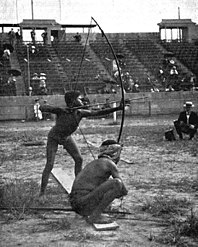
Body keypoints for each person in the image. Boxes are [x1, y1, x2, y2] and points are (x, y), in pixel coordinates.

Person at [39, 90, 125, 199]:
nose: (82, 100)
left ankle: (77, 188)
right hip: (54, 137)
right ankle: (42, 193)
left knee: (79, 159)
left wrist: (118, 108)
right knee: (50, 164)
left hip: (66, 137)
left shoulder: (80, 113)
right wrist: (57, 109)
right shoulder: (61, 111)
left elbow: (98, 112)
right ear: (73, 101)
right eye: (79, 99)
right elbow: (42, 108)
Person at [69, 139, 128, 224]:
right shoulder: (109, 164)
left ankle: (94, 214)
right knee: (116, 183)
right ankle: (94, 217)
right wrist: (115, 194)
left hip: (76, 205)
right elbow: (123, 190)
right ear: (114, 154)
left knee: (110, 183)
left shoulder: (94, 163)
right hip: (83, 204)